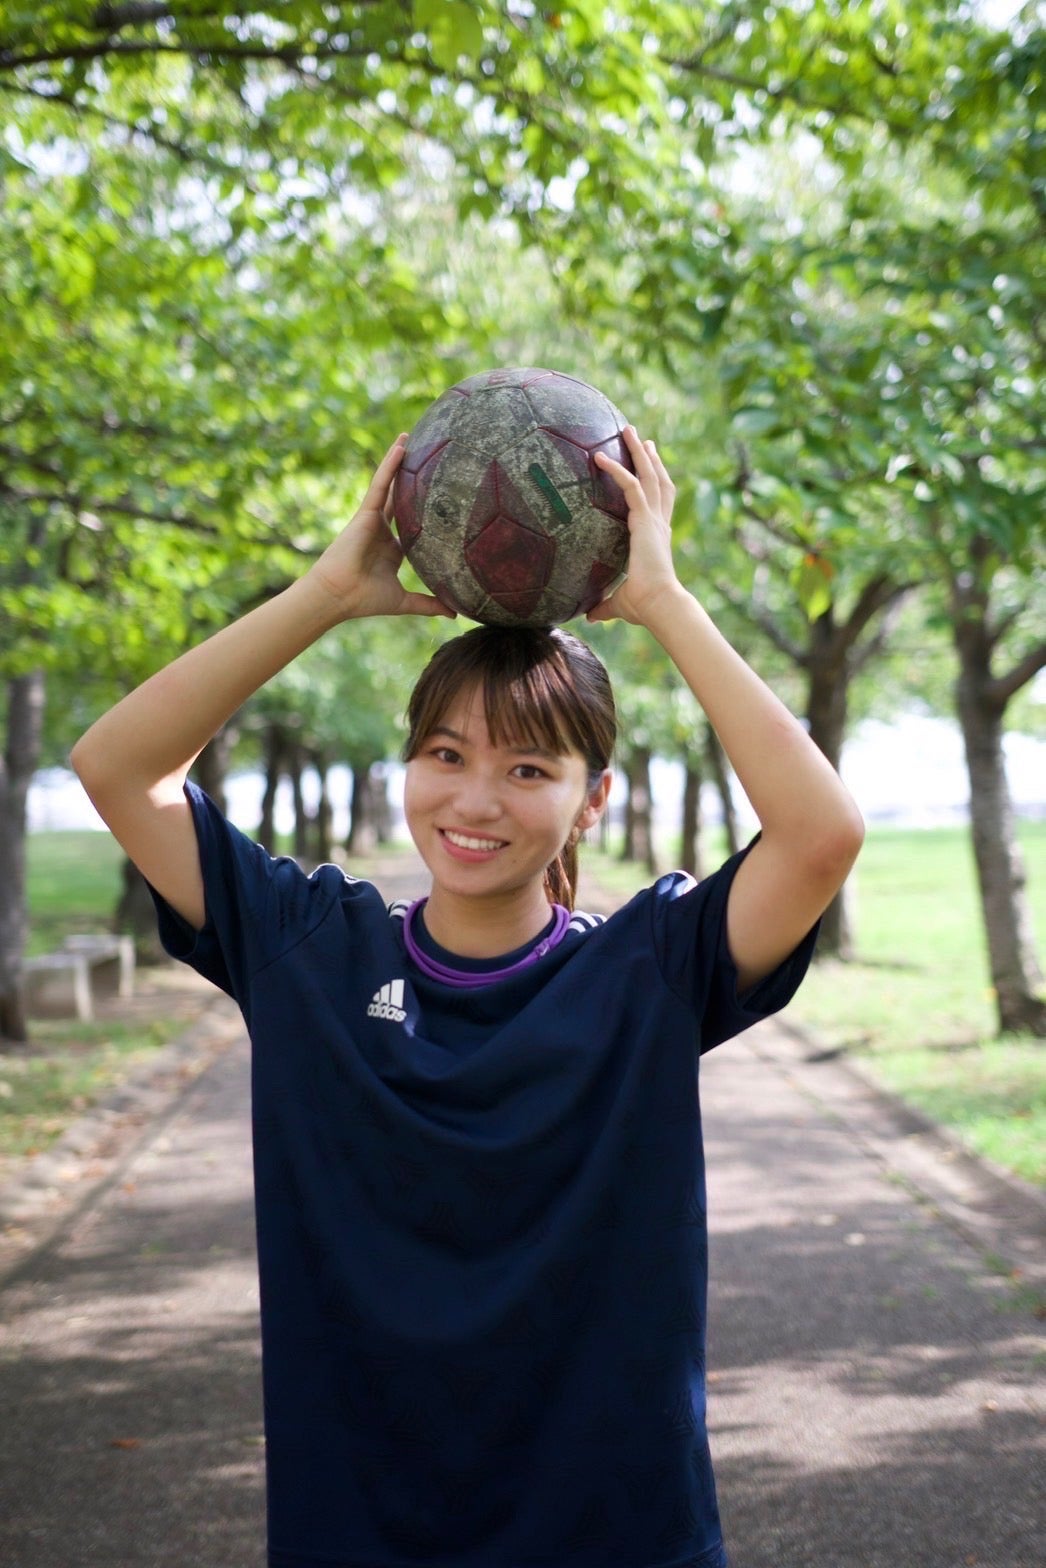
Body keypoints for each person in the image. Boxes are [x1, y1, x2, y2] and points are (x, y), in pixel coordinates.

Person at [71, 424, 863, 1568]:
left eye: (528, 768)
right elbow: (118, 765)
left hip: (613, 1527)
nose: (474, 798)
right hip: (361, 1523)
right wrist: (326, 592)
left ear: (591, 803)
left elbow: (820, 832)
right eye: (444, 753)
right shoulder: (308, 947)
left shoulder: (650, 968)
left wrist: (664, 601)